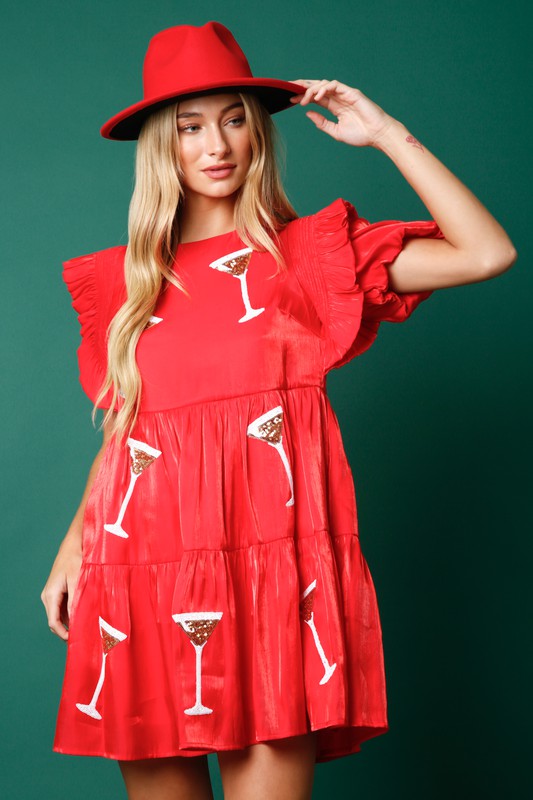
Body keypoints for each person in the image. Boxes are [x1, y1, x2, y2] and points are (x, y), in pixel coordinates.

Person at [41, 20, 516, 800]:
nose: (215, 144)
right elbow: (132, 427)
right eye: (190, 127)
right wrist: (73, 546)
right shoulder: (125, 286)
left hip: (270, 579)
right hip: (140, 574)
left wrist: (389, 135)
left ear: (258, 131)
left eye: (233, 119)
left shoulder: (310, 257)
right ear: (163, 145)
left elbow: (486, 253)